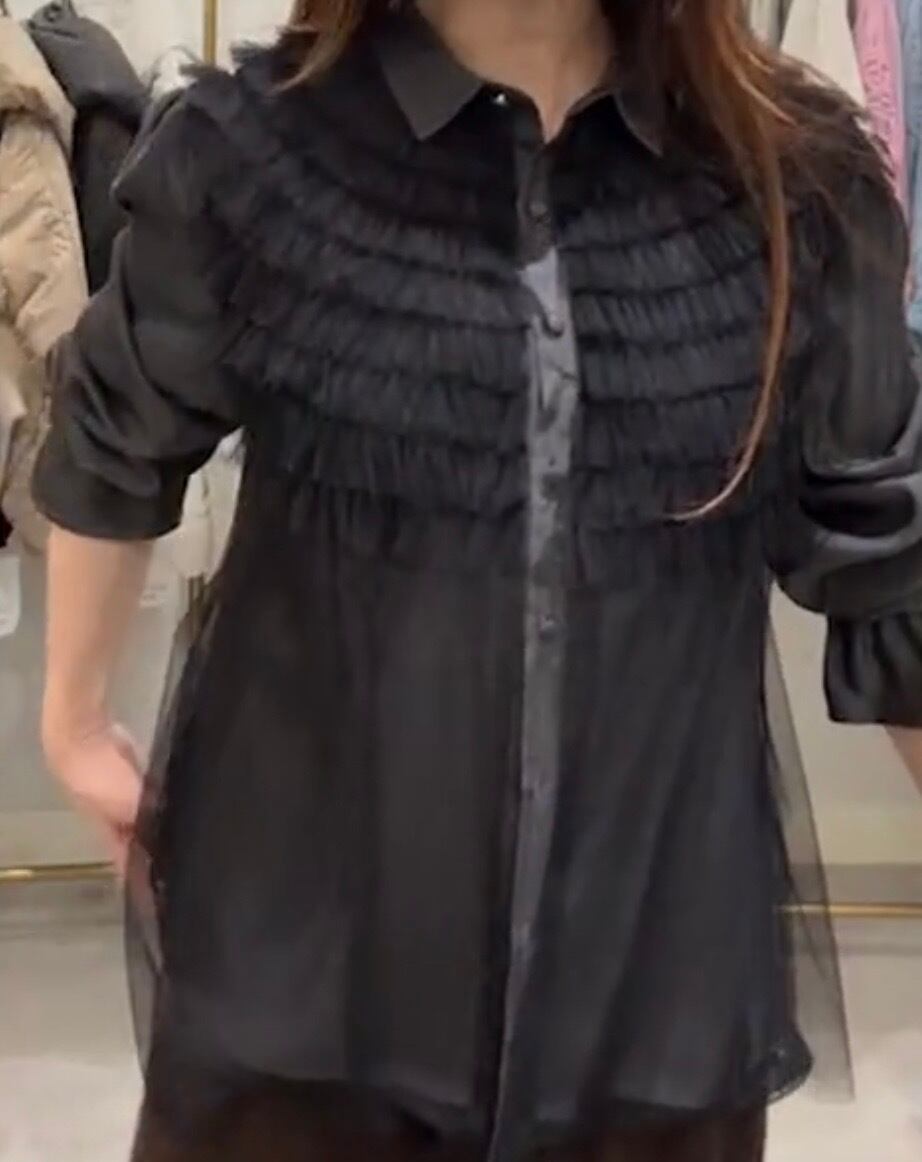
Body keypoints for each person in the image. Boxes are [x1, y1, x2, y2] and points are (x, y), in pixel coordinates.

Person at [34, 1, 922, 1160]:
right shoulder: (252, 151)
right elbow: (117, 423)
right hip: (313, 976)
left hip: (649, 988)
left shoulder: (794, 179)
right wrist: (73, 713)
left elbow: (887, 548)